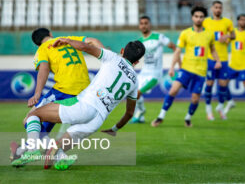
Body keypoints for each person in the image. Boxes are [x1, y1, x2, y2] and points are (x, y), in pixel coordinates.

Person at [11, 39, 145, 170]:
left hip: (84, 106)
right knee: (56, 148)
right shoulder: (135, 82)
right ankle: (60, 157)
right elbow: (129, 113)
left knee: (34, 114)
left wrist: (67, 41)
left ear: (122, 51)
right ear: (137, 61)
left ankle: (33, 148)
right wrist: (114, 129)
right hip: (97, 121)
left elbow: (86, 47)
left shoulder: (113, 57)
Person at [10, 28, 103, 161]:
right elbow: (93, 41)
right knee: (42, 129)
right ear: (51, 34)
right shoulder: (68, 38)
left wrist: (37, 94)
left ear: (37, 43)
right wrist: (108, 57)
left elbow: (44, 68)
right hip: (85, 92)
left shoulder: (43, 48)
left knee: (30, 118)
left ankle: (35, 150)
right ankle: (27, 152)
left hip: (64, 90)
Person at [151, 6, 222, 127]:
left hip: (200, 72)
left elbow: (213, 49)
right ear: (192, 17)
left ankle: (188, 118)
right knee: (173, 90)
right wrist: (172, 67)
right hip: (186, 69)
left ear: (204, 18)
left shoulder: (209, 34)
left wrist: (218, 61)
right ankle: (160, 116)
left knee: (195, 99)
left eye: (201, 17)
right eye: (196, 16)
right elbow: (177, 51)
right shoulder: (185, 33)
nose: (198, 19)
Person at [129, 16, 177, 124]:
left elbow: (174, 47)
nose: (144, 25)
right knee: (131, 93)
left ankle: (140, 112)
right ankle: (140, 117)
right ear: (139, 26)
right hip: (143, 73)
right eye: (141, 23)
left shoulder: (158, 37)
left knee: (137, 93)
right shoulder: (139, 42)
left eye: (146, 23)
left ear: (149, 24)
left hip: (155, 74)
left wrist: (174, 64)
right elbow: (135, 58)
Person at [202, 0, 235, 120]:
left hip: (224, 58)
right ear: (212, 9)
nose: (218, 9)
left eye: (220, 7)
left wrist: (227, 36)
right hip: (210, 58)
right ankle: (208, 110)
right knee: (209, 84)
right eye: (216, 7)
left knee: (222, 84)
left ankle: (220, 108)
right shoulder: (206, 22)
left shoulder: (227, 22)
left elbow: (234, 35)